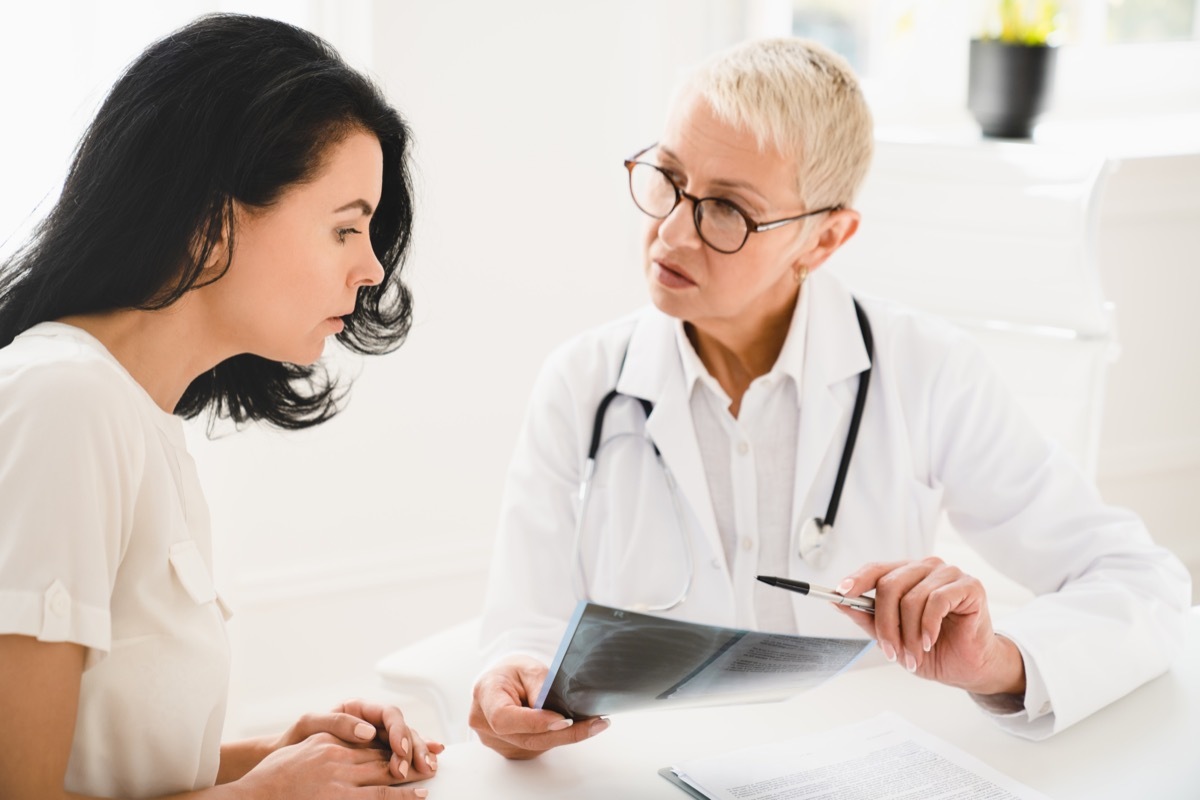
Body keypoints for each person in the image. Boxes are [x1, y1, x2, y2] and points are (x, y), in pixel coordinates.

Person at [469, 37, 1192, 759]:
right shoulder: (582, 384)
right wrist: (513, 687)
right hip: (647, 771)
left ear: (826, 238)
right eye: (667, 176)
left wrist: (998, 660)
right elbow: (523, 633)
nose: (671, 230)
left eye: (727, 209)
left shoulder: (925, 370)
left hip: (863, 771)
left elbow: (1142, 582)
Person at [0, 14, 442, 799]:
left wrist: (286, 754)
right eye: (345, 228)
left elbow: (109, 767)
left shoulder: (139, 421)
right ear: (210, 221)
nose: (371, 268)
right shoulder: (63, 402)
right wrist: (267, 795)